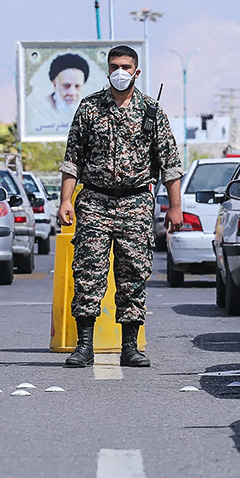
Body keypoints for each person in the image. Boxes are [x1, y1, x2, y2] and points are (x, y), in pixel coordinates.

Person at [58, 45, 183, 368]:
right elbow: (73, 159)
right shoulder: (89, 108)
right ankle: (84, 346)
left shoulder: (151, 111)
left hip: (136, 202)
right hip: (95, 201)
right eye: (114, 66)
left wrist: (175, 207)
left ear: (136, 71)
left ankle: (130, 347)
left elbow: (170, 165)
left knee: (133, 274)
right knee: (88, 273)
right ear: (107, 69)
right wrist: (66, 200)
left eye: (126, 67)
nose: (120, 72)